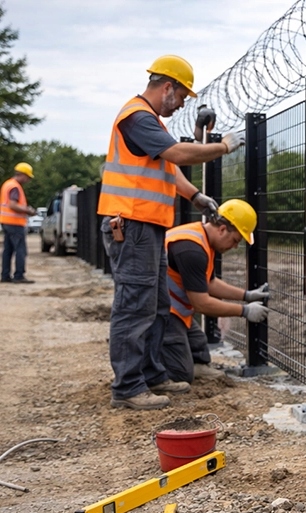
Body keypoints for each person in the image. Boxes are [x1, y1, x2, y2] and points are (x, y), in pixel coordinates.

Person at [97, 54, 245, 411]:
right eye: (180, 97)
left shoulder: (149, 122)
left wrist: (194, 196)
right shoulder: (137, 116)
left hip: (147, 227)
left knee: (157, 305)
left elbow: (166, 166)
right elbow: (177, 154)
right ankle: (129, 387)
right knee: (134, 307)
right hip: (131, 224)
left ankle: (151, 373)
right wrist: (222, 146)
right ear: (167, 87)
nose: (179, 104)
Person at [161, 199, 269, 383]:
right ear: (222, 229)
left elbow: (209, 283)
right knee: (180, 374)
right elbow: (201, 303)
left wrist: (247, 295)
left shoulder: (201, 239)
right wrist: (244, 311)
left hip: (175, 310)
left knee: (199, 346)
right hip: (159, 312)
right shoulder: (191, 249)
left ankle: (188, 364)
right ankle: (152, 363)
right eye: (235, 240)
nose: (234, 246)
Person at [0, 162, 38, 284]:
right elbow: (13, 205)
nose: (28, 180)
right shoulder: (14, 187)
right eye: (28, 177)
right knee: (20, 250)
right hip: (14, 223)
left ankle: (5, 275)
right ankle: (19, 275)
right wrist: (28, 210)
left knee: (8, 250)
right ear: (23, 175)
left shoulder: (7, 184)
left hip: (6, 222)